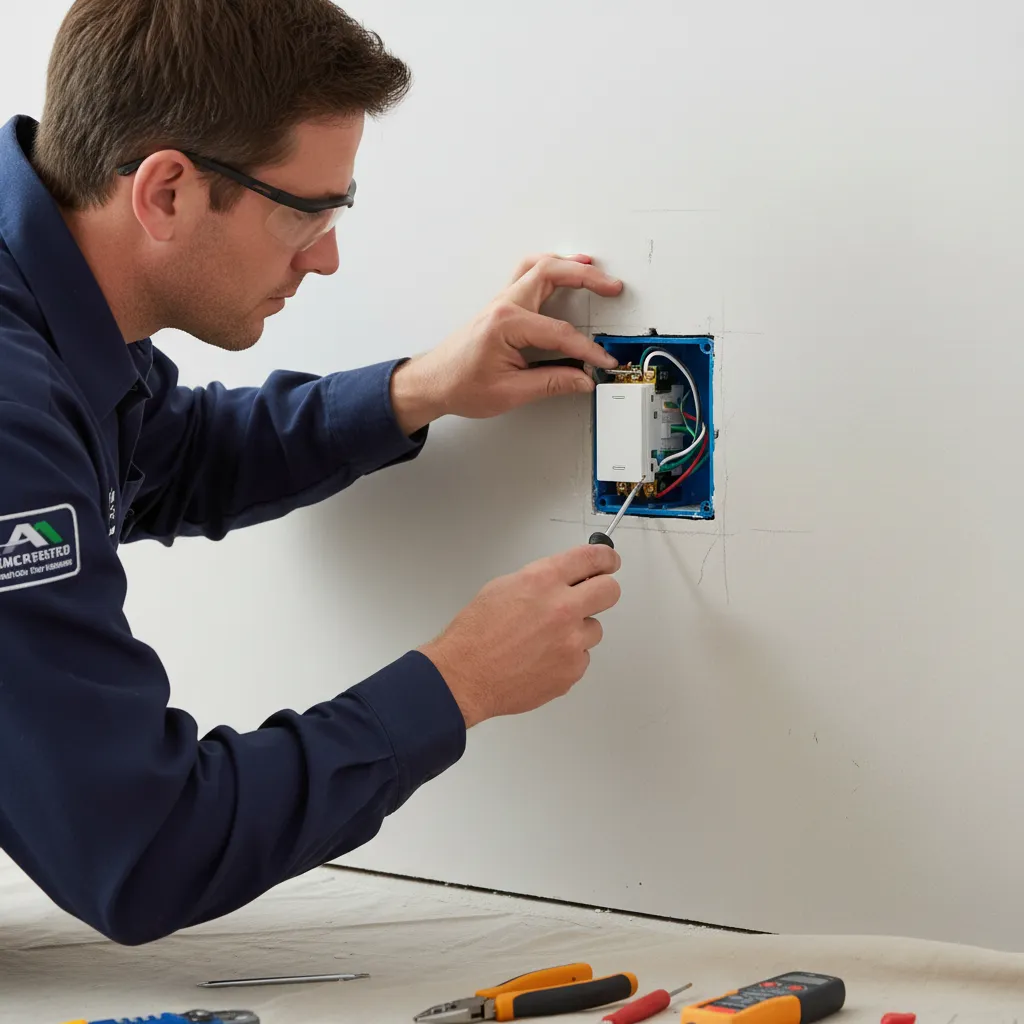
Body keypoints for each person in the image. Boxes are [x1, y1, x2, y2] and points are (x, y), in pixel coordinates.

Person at [0, 0, 624, 945]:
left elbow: (166, 455)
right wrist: (458, 683)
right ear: (166, 191)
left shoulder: (44, 307)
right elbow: (143, 848)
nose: (326, 258)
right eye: (308, 212)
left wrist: (420, 389)